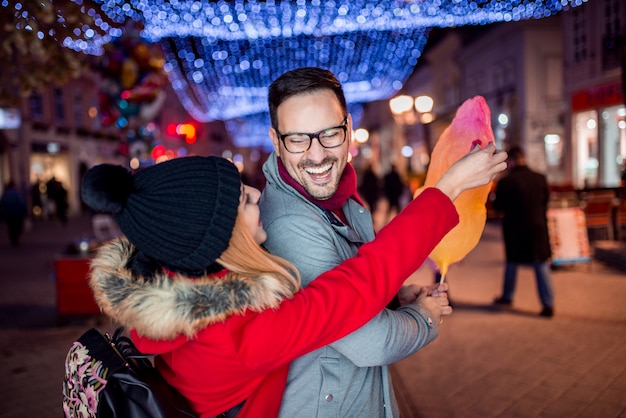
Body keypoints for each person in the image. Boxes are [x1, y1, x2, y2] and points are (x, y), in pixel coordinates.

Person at [76, 151, 504, 418]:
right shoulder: (233, 332)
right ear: (219, 240)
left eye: (245, 186)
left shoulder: (183, 285)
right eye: (243, 201)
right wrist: (446, 190)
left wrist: (394, 298)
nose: (257, 195)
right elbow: (350, 289)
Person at [259, 67, 507, 417]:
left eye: (329, 133)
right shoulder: (289, 221)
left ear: (347, 128)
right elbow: (368, 343)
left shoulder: (340, 196)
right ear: (275, 140)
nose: (317, 156)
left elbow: (355, 284)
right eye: (297, 139)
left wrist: (393, 298)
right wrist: (425, 317)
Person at [492, 145, 555, 317]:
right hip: (537, 228)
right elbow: (545, 202)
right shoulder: (540, 178)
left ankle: (507, 296)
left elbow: (498, 207)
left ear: (510, 161)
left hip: (515, 230)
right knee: (541, 265)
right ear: (523, 158)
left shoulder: (506, 182)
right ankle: (548, 304)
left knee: (512, 263)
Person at [0, 180, 28, 247]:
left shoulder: (5, 194)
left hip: (8, 214)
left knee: (11, 227)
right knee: (17, 226)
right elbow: (21, 203)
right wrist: (24, 212)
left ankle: (13, 238)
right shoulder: (16, 193)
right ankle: (15, 238)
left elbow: (2, 204)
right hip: (17, 213)